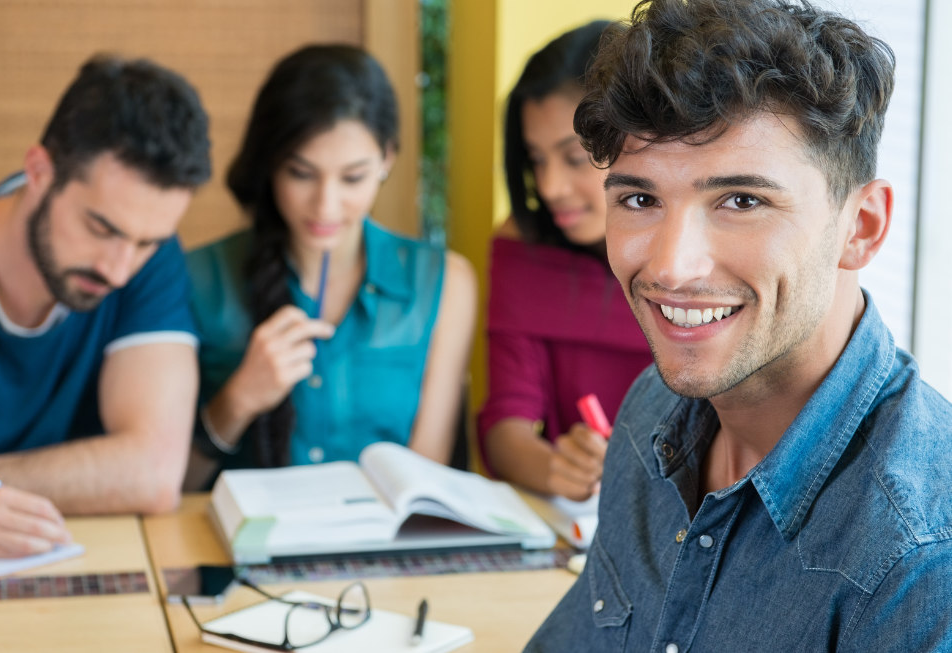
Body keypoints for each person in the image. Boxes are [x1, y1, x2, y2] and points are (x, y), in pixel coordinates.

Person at [527, 0, 952, 650]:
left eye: (742, 201)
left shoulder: (920, 557)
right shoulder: (651, 411)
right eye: (640, 199)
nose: (672, 267)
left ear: (861, 228)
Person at [184, 45, 476, 488]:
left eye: (352, 177)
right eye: (301, 173)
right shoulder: (197, 277)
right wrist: (239, 400)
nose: (326, 205)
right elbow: (172, 484)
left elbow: (425, 482)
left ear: (387, 158)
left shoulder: (445, 284)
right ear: (271, 165)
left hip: (381, 553)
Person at [0, 55, 212, 523]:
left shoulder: (149, 257)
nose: (120, 271)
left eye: (146, 242)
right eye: (100, 228)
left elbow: (154, 472)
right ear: (40, 172)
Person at [477, 21, 652, 501]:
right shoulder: (524, 247)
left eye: (573, 159)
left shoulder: (696, 263)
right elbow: (504, 428)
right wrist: (558, 469)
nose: (549, 187)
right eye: (536, 160)